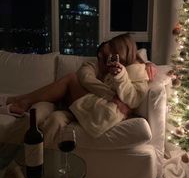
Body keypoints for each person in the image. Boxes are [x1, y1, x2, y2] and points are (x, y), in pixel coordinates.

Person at [0, 33, 156, 138]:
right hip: (86, 106)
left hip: (101, 112)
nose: (102, 58)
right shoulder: (94, 66)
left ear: (119, 53)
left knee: (70, 79)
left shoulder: (127, 71)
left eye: (106, 55)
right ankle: (37, 161)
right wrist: (111, 95)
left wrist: (121, 75)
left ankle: (21, 101)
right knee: (53, 118)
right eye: (100, 56)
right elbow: (85, 77)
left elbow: (133, 98)